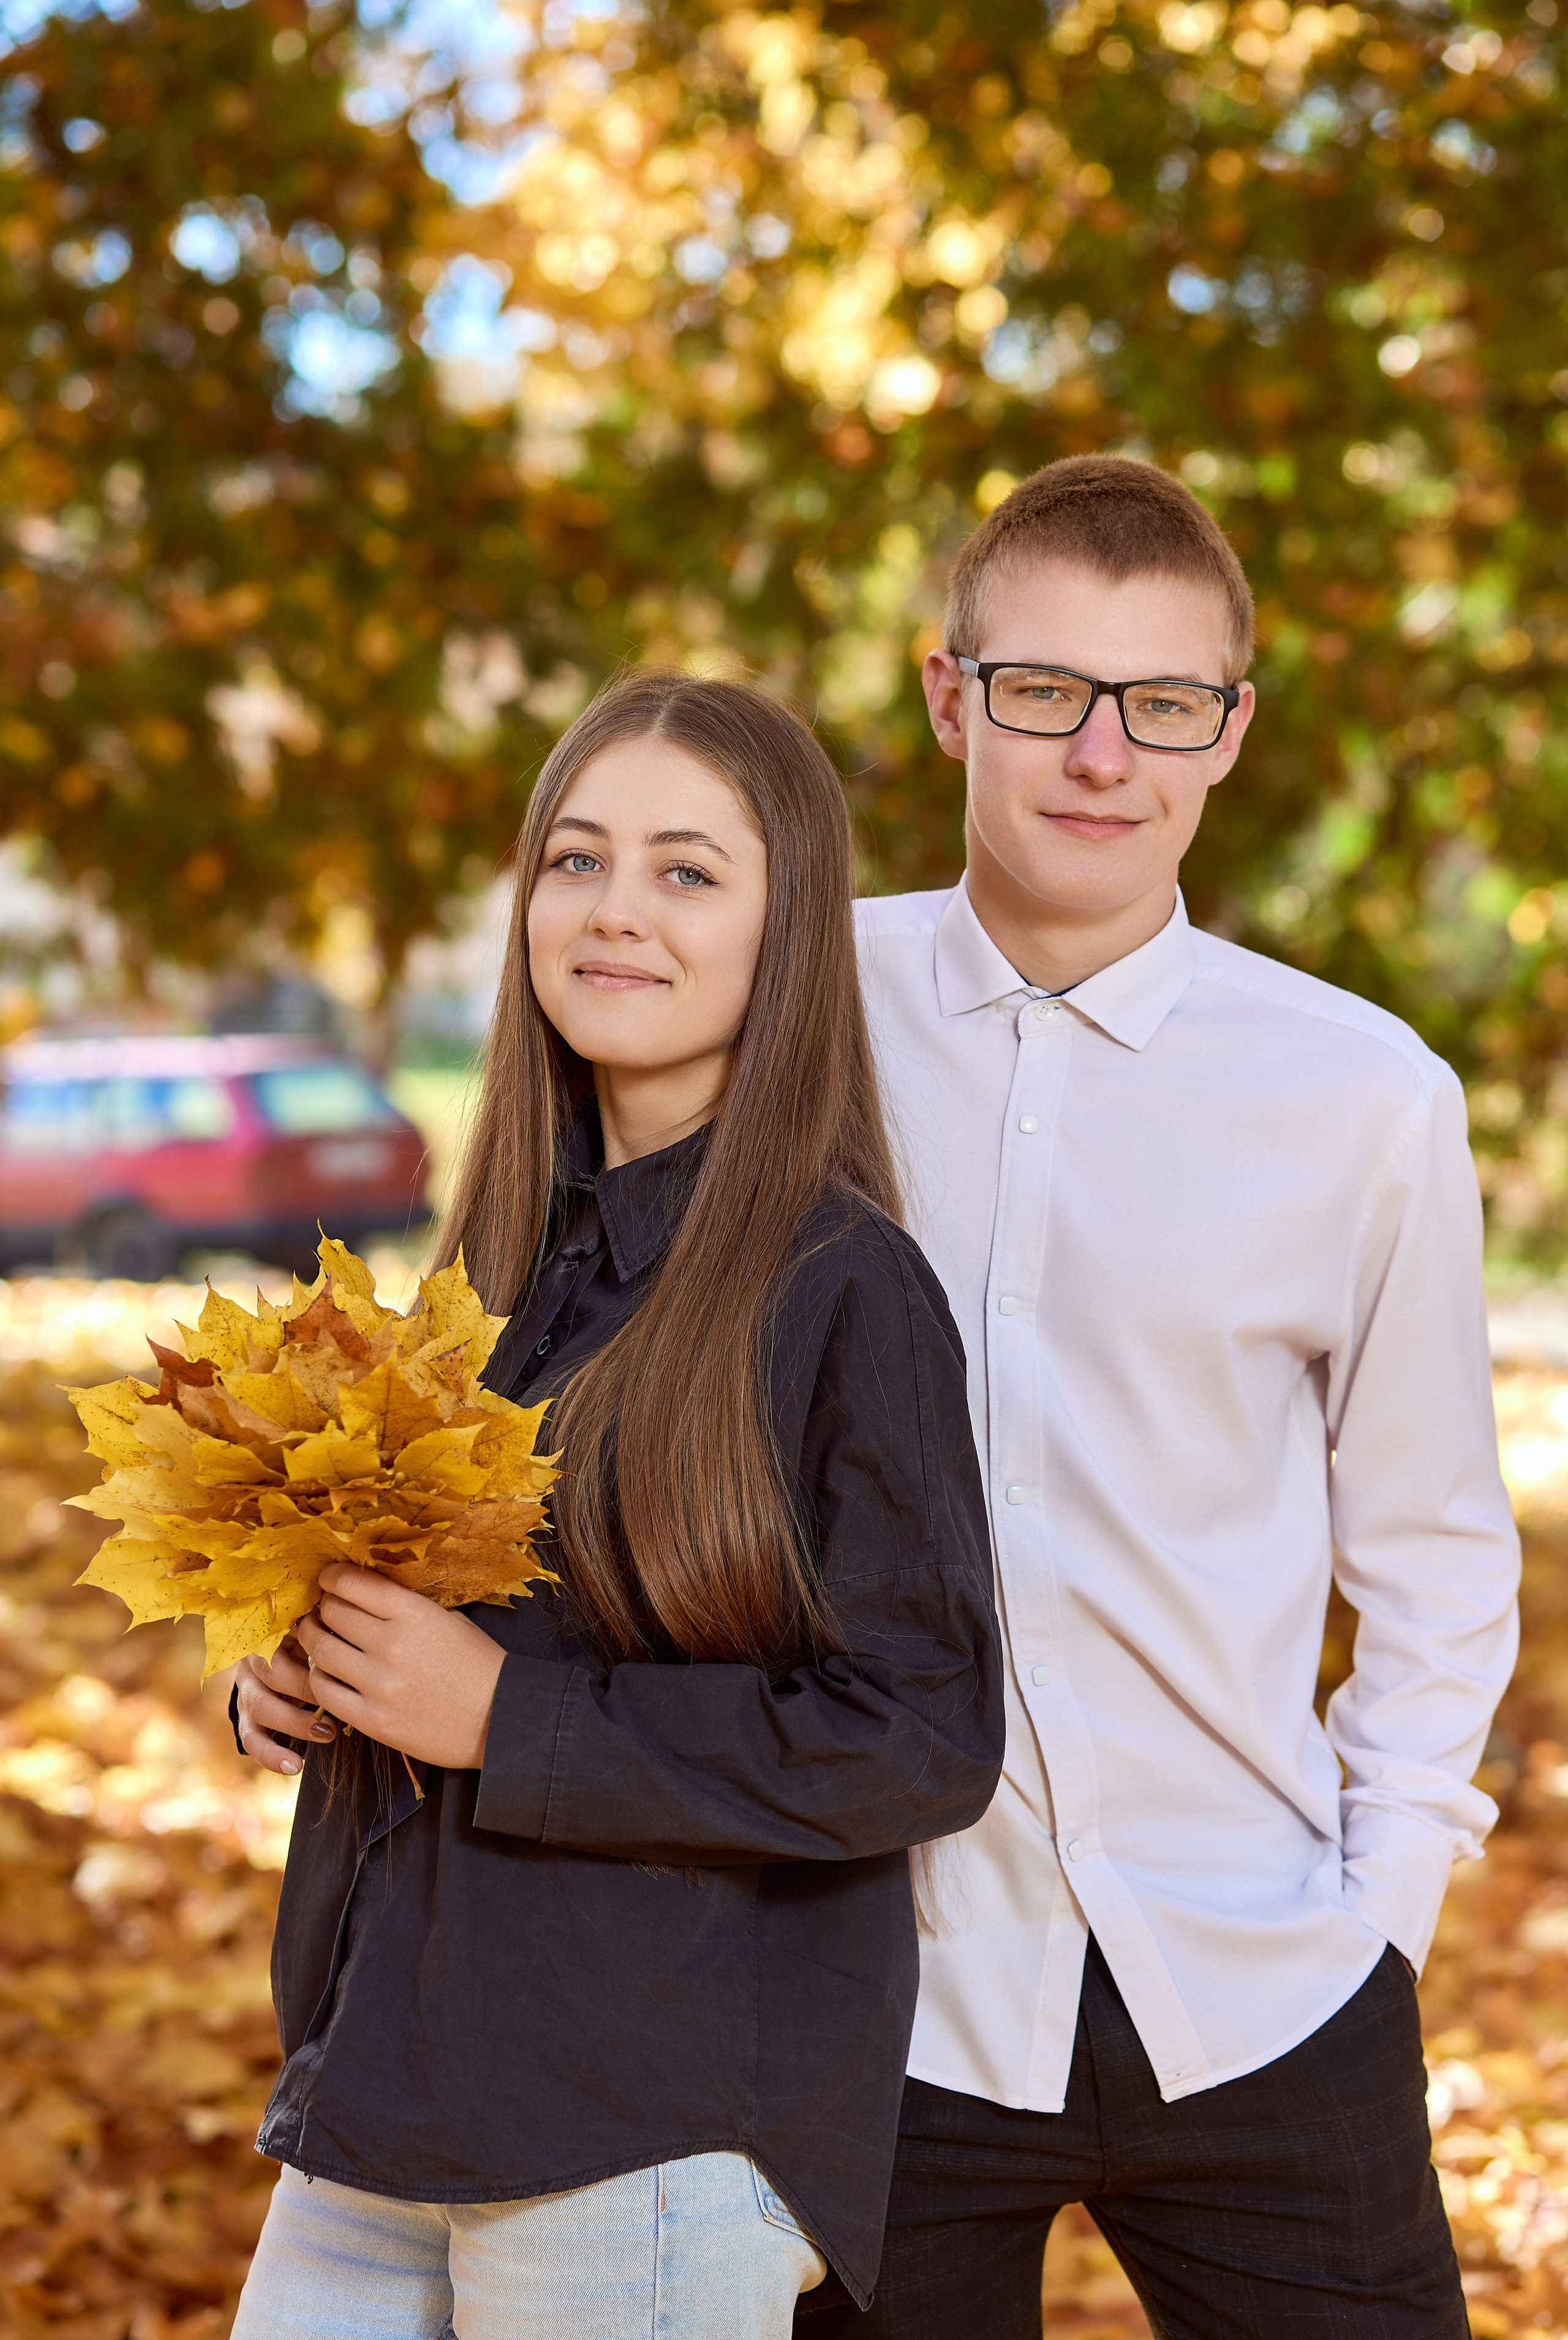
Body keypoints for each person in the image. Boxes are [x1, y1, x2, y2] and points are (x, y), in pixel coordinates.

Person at [802, 455, 1520, 2338]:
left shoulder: (1365, 1097)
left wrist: (1385, 1919)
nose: (1100, 753)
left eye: (1163, 704)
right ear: (952, 695)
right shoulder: (794, 1017)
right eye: (1046, 690)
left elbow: (1439, 1547)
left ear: (1228, 735)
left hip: (1264, 1986)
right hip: (878, 1996)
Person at [228, 671, 1005, 2340]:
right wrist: (303, 1676)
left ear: (787, 932)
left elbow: (922, 1735)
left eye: (687, 871)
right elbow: (435, 1633)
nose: (614, 912)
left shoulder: (845, 1287)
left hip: (644, 2141)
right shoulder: (485, 1273)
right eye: (575, 861)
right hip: (382, 2094)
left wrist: (509, 1718)